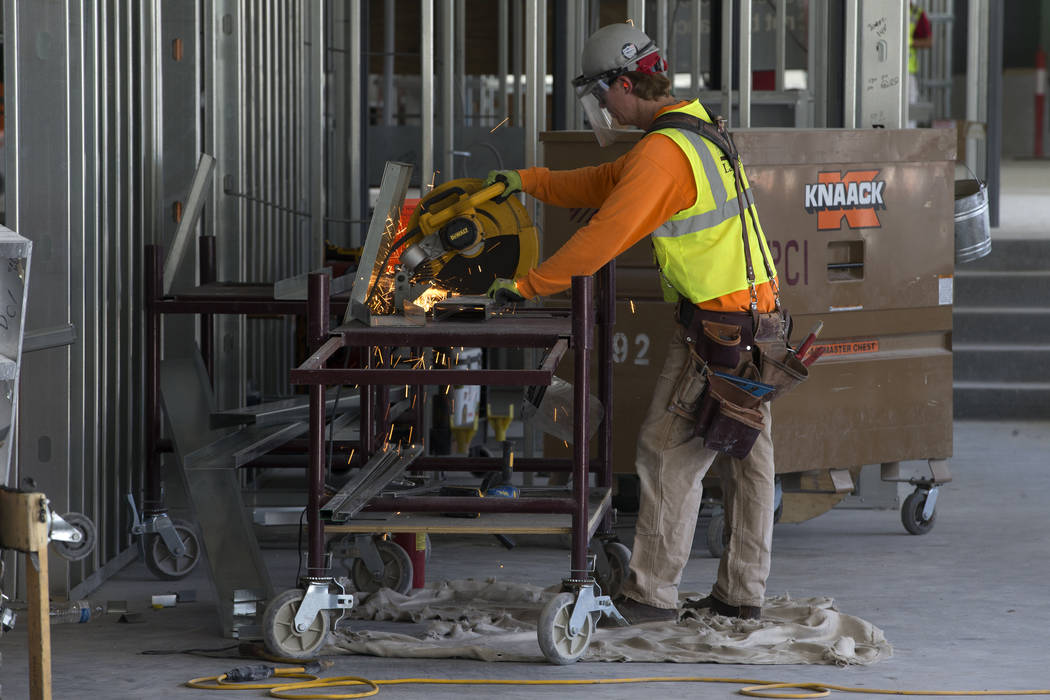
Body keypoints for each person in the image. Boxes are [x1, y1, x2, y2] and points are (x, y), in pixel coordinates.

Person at [484, 23, 781, 625]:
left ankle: (650, 596)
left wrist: (524, 286)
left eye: (599, 96)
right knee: (747, 458)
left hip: (716, 331)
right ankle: (741, 595)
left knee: (666, 453)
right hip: (759, 322)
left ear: (624, 84)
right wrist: (529, 181)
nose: (600, 110)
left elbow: (599, 239)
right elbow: (606, 182)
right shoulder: (695, 127)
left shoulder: (664, 153)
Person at [908, 2, 933, 127]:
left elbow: (928, 41)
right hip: (884, 71)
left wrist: (909, 42)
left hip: (908, 73)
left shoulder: (916, 13)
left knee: (909, 114)